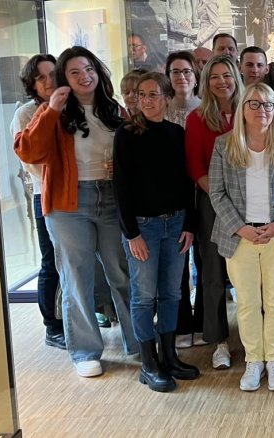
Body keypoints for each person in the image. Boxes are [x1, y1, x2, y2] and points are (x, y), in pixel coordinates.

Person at [14, 46, 138, 377]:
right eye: (74, 72)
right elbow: (28, 151)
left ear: (98, 72)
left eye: (89, 69)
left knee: (122, 271)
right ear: (63, 79)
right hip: (68, 203)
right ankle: (85, 351)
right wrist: (52, 109)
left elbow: (133, 155)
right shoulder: (50, 111)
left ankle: (138, 341)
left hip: (112, 198)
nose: (84, 76)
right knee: (77, 277)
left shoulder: (114, 110)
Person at [209, 82, 274, 392]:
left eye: (268, 105)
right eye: (254, 104)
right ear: (242, 109)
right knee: (247, 302)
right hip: (240, 235)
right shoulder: (224, 145)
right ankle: (254, 360)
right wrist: (240, 227)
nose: (262, 110)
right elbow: (216, 192)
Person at [114, 72, 200, 392]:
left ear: (167, 97)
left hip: (175, 223)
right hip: (143, 227)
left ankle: (169, 355)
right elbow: (121, 187)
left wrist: (190, 224)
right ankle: (149, 363)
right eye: (141, 95)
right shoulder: (126, 134)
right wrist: (131, 233)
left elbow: (186, 183)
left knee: (172, 293)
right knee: (144, 296)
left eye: (153, 94)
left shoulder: (177, 133)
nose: (146, 100)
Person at [185, 55, 245, 370]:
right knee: (212, 274)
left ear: (236, 77)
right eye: (214, 77)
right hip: (212, 202)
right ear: (206, 83)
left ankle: (256, 338)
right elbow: (196, 168)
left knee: (251, 272)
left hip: (251, 202)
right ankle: (219, 341)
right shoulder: (197, 119)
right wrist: (223, 200)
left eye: (227, 75)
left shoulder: (251, 110)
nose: (222, 82)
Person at [11, 54, 65, 350]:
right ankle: (52, 326)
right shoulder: (25, 114)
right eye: (40, 77)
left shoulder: (71, 105)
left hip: (77, 194)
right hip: (45, 195)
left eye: (52, 74)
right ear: (32, 83)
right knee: (51, 263)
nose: (48, 81)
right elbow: (31, 160)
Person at [163, 50, 205, 348]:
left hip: (203, 191)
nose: (181, 77)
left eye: (187, 71)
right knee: (176, 263)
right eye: (175, 72)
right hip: (173, 196)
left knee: (205, 261)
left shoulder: (205, 109)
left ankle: (203, 322)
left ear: (196, 76)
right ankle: (181, 324)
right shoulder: (161, 110)